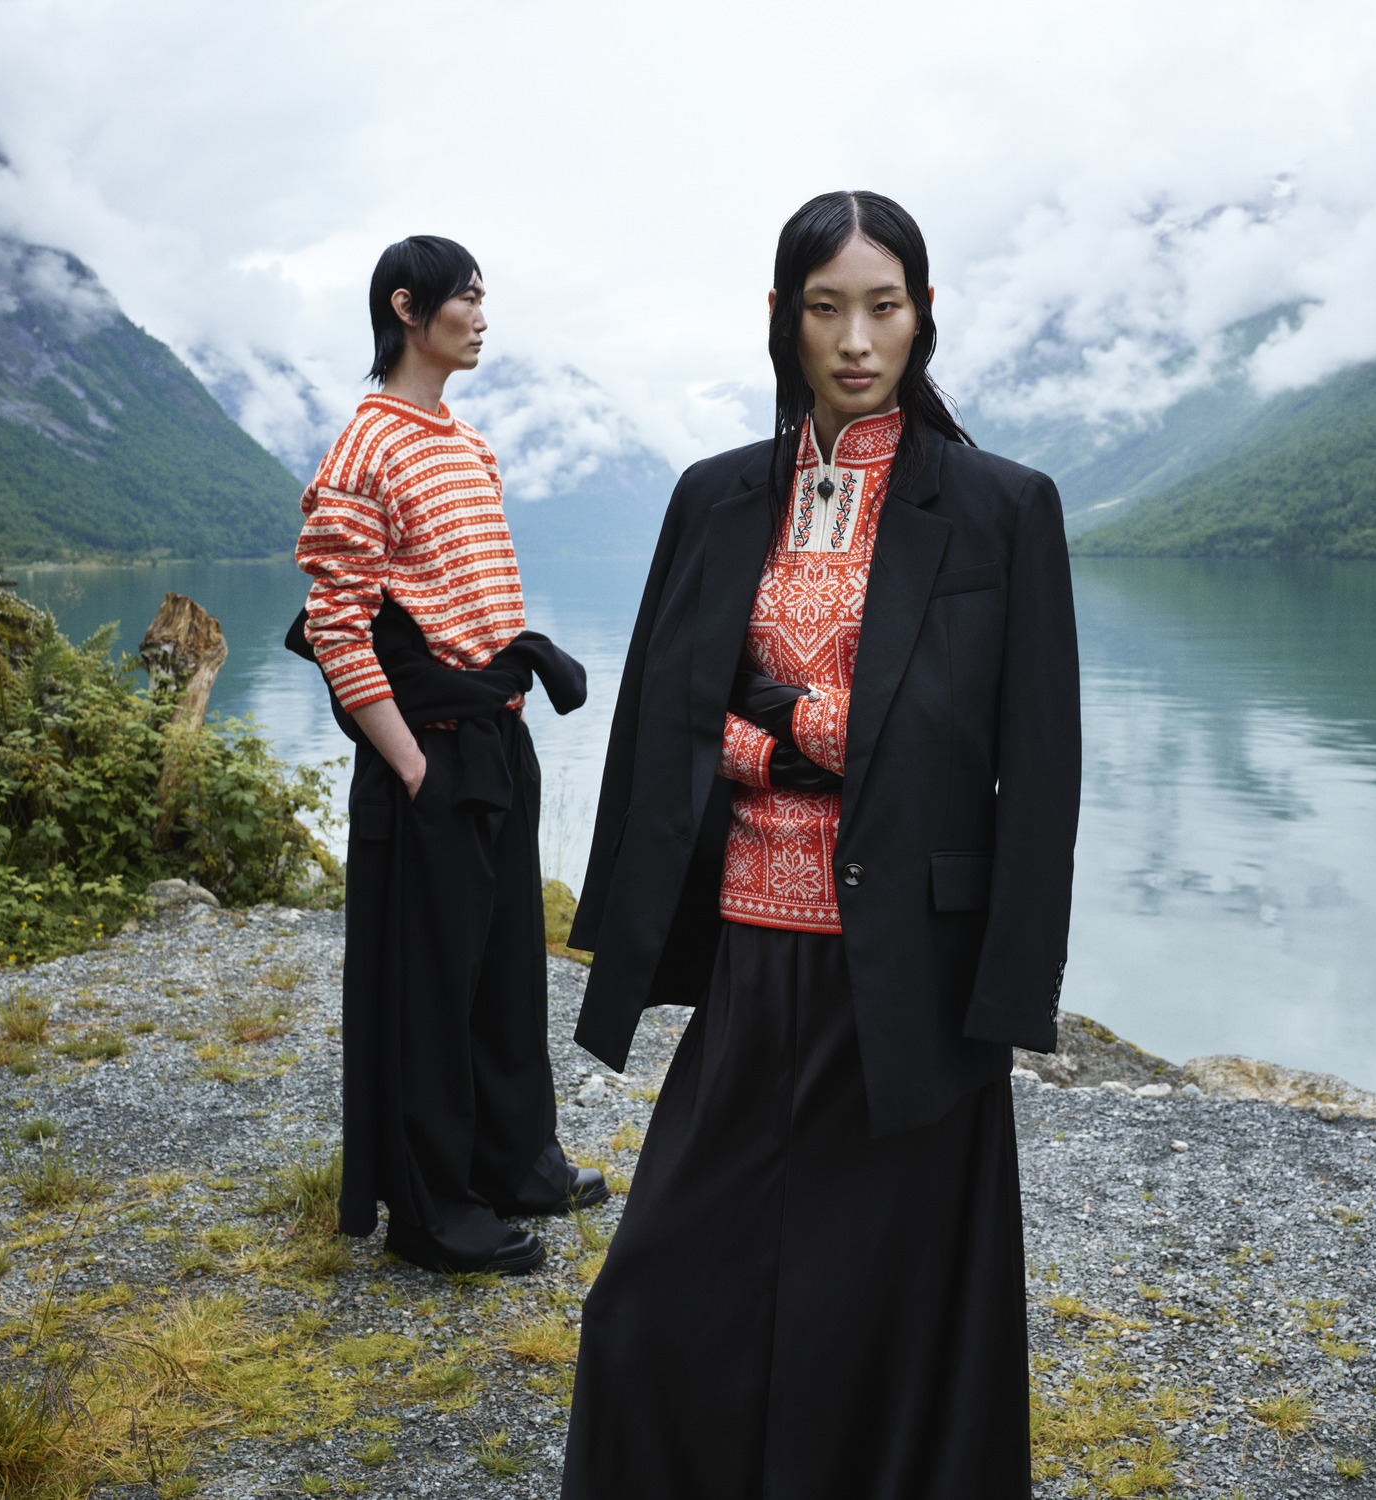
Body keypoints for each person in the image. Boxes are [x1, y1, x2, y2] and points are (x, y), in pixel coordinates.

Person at [559, 192, 1081, 1498]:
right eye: (826, 306)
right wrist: (793, 743)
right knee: (655, 1294)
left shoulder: (1003, 509)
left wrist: (1010, 992)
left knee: (891, 1310)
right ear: (783, 321)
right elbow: (664, 712)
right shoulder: (716, 496)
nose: (857, 338)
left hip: (914, 974)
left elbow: (1033, 761)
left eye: (884, 305)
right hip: (749, 953)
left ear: (924, 315)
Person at [291, 235, 606, 1277]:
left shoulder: (466, 445)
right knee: (428, 992)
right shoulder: (363, 449)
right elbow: (335, 625)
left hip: (494, 729)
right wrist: (407, 763)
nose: (480, 315)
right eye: (465, 298)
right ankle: (431, 1215)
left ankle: (514, 1163)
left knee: (505, 969)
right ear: (406, 307)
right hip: (426, 748)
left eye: (482, 297)